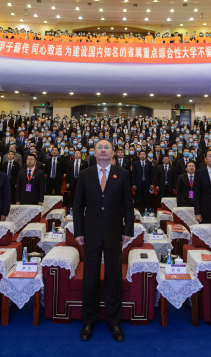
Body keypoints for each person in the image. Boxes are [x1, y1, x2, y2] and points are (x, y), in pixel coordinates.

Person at [73, 139, 134, 342]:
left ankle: (114, 321)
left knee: (113, 277)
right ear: (94, 152)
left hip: (114, 232)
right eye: (99, 147)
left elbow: (128, 205)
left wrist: (127, 229)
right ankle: (88, 321)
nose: (103, 150)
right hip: (90, 232)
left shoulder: (122, 174)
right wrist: (78, 231)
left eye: (107, 147)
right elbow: (78, 205)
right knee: (90, 276)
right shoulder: (85, 174)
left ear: (113, 153)